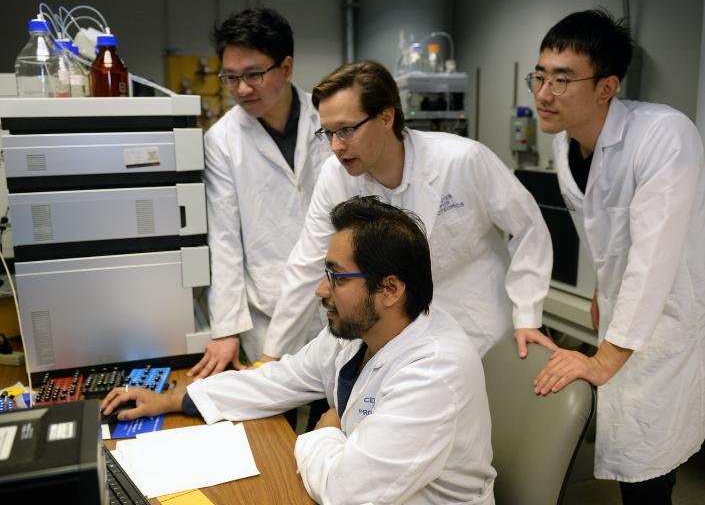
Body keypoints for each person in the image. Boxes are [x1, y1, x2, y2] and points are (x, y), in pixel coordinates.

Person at [102, 196, 497, 505]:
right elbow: (277, 381)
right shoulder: (362, 331)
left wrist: (321, 433)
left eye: (338, 278)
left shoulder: (435, 371)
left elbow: (346, 491)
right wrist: (172, 400)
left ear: (390, 290)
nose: (321, 290)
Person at [258, 60, 554, 364]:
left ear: (386, 117)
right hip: (402, 336)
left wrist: (528, 315)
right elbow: (307, 263)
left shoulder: (462, 160)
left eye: (346, 130)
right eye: (328, 132)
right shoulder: (336, 177)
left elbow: (528, 227)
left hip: (480, 327)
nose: (335, 146)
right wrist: (272, 354)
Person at [529, 9, 705, 504]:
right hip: (622, 309)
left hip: (668, 316)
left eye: (562, 80)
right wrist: (599, 290)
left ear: (606, 87)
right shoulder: (568, 149)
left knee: (648, 458)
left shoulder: (664, 136)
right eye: (540, 76)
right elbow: (606, 233)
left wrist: (603, 359)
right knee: (632, 448)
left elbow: (654, 257)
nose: (544, 93)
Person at [187, 8, 330, 378]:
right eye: (231, 77)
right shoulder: (222, 140)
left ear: (286, 67)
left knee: (340, 414)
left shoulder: (328, 119)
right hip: (269, 308)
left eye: (253, 74)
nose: (242, 89)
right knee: (274, 423)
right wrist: (226, 328)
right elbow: (224, 238)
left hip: (338, 298)